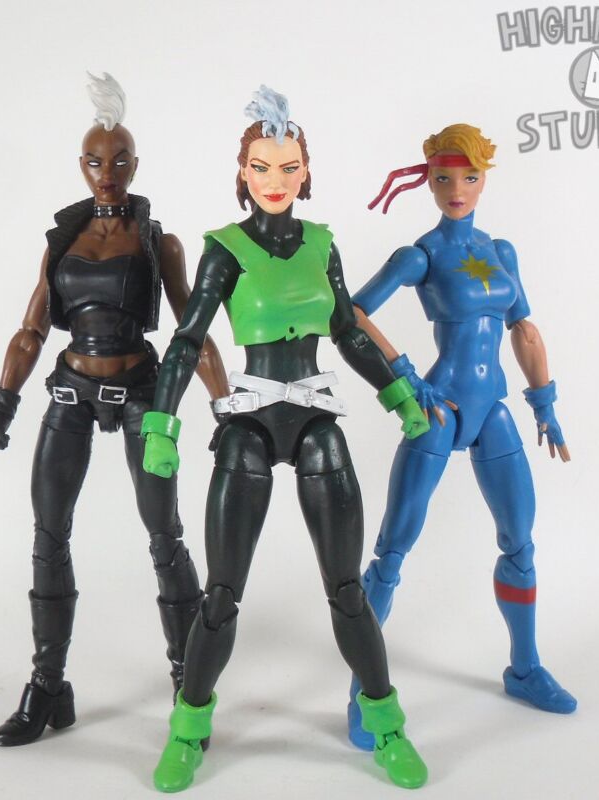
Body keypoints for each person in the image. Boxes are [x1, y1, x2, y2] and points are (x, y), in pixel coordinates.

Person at [141, 86, 429, 792]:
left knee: (348, 590)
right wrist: (161, 422)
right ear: (243, 172)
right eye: (262, 167)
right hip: (249, 419)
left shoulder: (323, 244)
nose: (276, 180)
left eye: (289, 167)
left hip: (314, 415)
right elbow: (188, 339)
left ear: (306, 171)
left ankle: (387, 725)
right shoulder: (226, 249)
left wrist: (397, 392)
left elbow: (347, 331)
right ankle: (188, 727)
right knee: (221, 595)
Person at [0, 73, 228, 747]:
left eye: (120, 161)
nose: (108, 173)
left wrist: (226, 406)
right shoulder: (62, 240)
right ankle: (48, 687)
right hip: (70, 389)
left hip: (141, 389)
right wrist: (4, 402)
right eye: (96, 162)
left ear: (135, 166)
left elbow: (191, 331)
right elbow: (31, 328)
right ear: (82, 166)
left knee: (164, 533)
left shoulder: (156, 242)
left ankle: (190, 685)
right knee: (49, 533)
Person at [345, 123, 577, 750]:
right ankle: (364, 694)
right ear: (428, 180)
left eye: (469, 177)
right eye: (444, 177)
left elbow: (524, 329)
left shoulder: (500, 251)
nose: (456, 189)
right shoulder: (419, 255)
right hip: (440, 409)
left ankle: (524, 669)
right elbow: (352, 313)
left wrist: (545, 403)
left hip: (493, 410)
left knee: (520, 542)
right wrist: (404, 374)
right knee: (391, 554)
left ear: (483, 180)